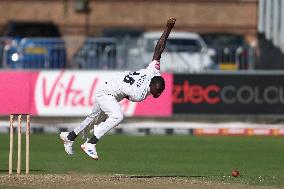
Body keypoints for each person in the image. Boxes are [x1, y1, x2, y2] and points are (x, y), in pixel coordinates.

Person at [60, 18, 176, 160]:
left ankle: (69, 136)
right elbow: (127, 96)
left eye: (159, 92)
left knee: (93, 119)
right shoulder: (139, 94)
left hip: (109, 87)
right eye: (156, 91)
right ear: (151, 84)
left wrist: (167, 29)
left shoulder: (153, 70)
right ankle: (91, 143)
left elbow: (159, 48)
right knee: (117, 116)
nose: (157, 94)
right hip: (107, 93)